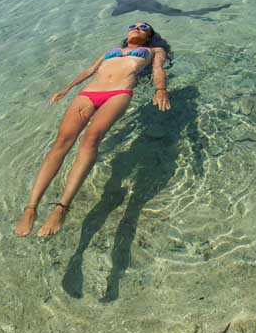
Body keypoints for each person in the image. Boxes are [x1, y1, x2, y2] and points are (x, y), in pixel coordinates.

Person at [14, 22, 171, 237]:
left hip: (118, 93)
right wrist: (66, 89)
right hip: (88, 93)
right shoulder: (110, 52)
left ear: (149, 36)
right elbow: (90, 70)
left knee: (90, 140)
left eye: (143, 27)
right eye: (133, 26)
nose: (136, 28)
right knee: (61, 143)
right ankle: (31, 208)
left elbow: (158, 69)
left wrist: (160, 89)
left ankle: (62, 208)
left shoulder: (154, 51)